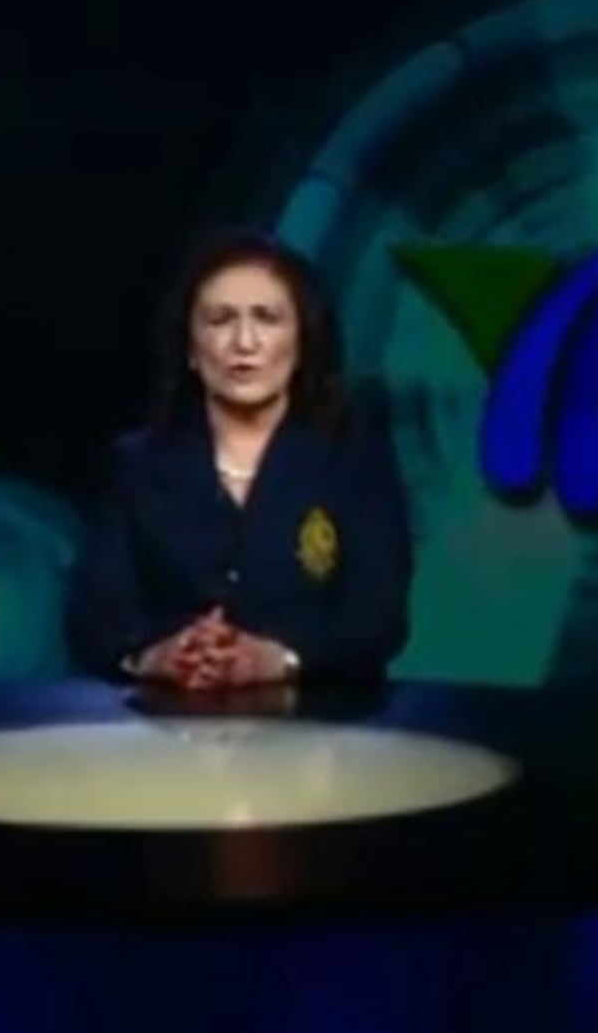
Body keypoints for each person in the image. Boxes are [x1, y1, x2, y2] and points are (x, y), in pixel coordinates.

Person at [65, 229, 412, 690]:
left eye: (267, 318)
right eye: (220, 320)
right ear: (191, 348)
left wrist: (280, 658)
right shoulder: (138, 464)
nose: (244, 342)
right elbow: (95, 619)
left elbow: (379, 619)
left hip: (320, 722)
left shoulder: (354, 459)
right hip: (169, 723)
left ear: (303, 341)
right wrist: (156, 655)